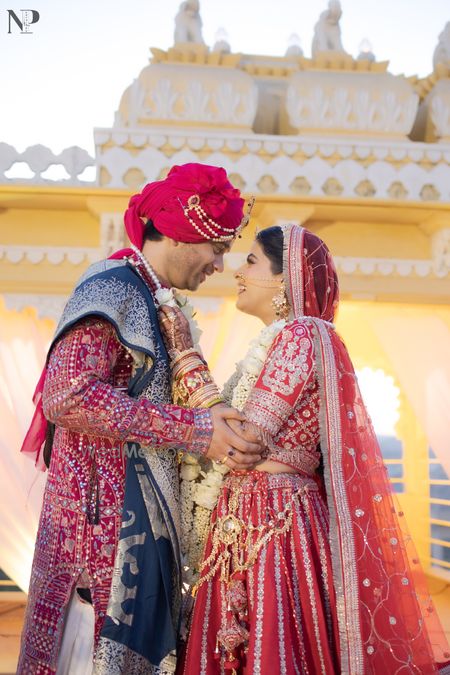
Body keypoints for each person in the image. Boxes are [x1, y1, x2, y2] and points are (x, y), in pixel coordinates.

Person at [160, 224, 450, 674]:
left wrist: (184, 355)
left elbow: (246, 438)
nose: (238, 271)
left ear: (285, 277)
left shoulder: (302, 333)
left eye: (251, 261)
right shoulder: (279, 341)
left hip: (275, 522)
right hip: (245, 518)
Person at [17, 163, 263, 674]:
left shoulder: (151, 295)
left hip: (128, 526)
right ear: (180, 234)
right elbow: (68, 395)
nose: (219, 265)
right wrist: (196, 432)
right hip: (97, 535)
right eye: (216, 248)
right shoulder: (114, 288)